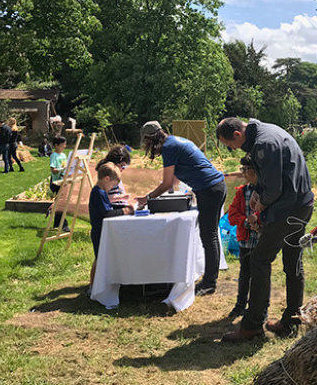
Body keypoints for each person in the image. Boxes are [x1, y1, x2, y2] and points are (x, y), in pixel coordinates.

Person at [216, 117, 314, 342]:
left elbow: (275, 188)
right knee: (292, 263)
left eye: (230, 144)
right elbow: (274, 178)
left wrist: (261, 204)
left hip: (288, 208)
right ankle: (290, 322)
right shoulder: (269, 130)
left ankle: (252, 326)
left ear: (238, 134)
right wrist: (260, 194)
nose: (232, 149)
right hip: (301, 203)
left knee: (259, 260)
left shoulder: (263, 144)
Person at [136, 121, 227, 296]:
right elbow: (174, 181)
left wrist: (147, 199)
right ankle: (209, 280)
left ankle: (209, 283)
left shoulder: (169, 147)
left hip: (210, 189)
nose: (147, 147)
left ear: (152, 139)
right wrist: (169, 196)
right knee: (209, 235)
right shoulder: (175, 142)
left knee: (209, 236)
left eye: (146, 142)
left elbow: (167, 183)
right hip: (213, 188)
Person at [88, 162, 135, 292]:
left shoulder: (100, 192)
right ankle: (93, 287)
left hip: (102, 230)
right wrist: (125, 211)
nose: (113, 187)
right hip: (99, 231)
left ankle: (97, 286)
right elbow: (106, 214)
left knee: (101, 259)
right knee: (99, 260)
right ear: (107, 179)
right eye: (113, 184)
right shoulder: (99, 193)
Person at [226, 156, 261, 318]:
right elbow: (232, 216)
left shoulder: (267, 192)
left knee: (259, 274)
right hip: (246, 241)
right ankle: (240, 304)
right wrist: (246, 222)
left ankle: (256, 306)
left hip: (262, 240)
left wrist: (259, 221)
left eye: (247, 169)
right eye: (242, 170)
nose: (244, 173)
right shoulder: (242, 192)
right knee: (245, 273)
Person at [49, 136, 70, 232]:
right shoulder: (54, 156)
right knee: (61, 203)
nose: (64, 146)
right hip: (56, 183)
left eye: (65, 144)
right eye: (63, 145)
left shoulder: (64, 156)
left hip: (63, 181)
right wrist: (63, 169)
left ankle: (57, 223)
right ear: (56, 145)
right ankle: (64, 225)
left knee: (61, 202)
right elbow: (53, 171)